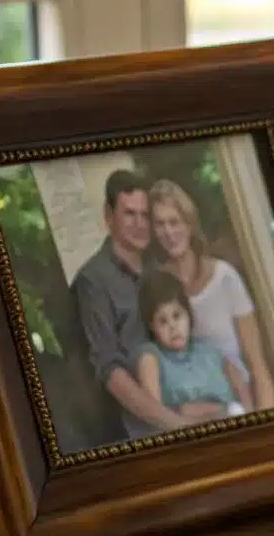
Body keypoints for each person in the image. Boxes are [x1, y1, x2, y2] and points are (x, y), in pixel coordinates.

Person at [71, 169, 192, 439]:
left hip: (190, 404)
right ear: (108, 215)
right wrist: (171, 422)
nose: (139, 223)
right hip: (146, 428)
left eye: (145, 215)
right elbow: (109, 370)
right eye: (129, 214)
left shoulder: (159, 267)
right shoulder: (93, 281)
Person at [146, 178, 274, 410]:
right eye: (160, 224)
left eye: (174, 222)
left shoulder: (225, 277)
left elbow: (257, 365)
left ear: (189, 225)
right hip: (195, 410)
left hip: (242, 400)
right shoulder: (157, 287)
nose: (168, 232)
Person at [132, 270, 251, 420]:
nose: (173, 327)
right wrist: (221, 410)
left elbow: (240, 386)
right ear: (152, 326)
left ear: (188, 314)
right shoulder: (150, 356)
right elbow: (158, 415)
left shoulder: (210, 351)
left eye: (177, 316)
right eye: (163, 321)